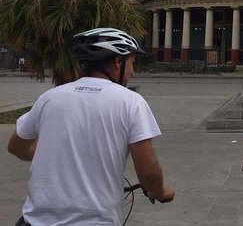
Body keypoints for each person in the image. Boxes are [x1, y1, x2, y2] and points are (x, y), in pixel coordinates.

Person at [8, 27, 174, 226]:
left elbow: (16, 146)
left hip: (33, 221)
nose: (133, 71)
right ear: (117, 62)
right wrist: (161, 191)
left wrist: (57, 153)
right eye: (131, 63)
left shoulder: (50, 97)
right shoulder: (131, 102)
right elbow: (148, 172)